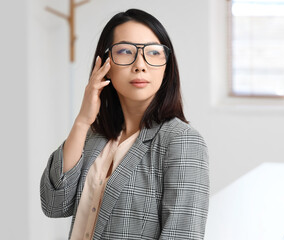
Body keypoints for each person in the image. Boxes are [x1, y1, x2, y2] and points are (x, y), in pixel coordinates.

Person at [40, 8, 209, 240]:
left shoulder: (180, 141)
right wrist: (82, 121)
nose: (140, 65)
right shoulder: (94, 136)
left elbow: (183, 235)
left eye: (153, 52)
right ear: (104, 63)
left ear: (167, 65)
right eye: (125, 51)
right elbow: (53, 204)